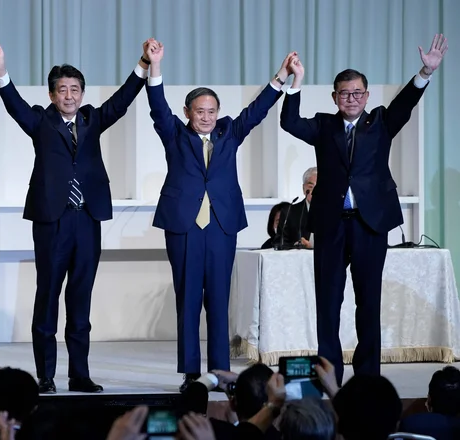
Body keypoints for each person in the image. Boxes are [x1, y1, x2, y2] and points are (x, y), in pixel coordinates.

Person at [280, 34, 448, 386]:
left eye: (357, 93)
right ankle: (328, 375)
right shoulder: (325, 125)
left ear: (367, 96)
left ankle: (368, 376)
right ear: (335, 97)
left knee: (368, 302)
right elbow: (290, 123)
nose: (351, 99)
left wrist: (425, 73)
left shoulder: (381, 122)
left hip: (370, 224)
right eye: (344, 93)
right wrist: (294, 82)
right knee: (327, 303)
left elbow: (405, 104)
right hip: (329, 225)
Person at [0, 41, 151, 394]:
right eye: (62, 89)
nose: (69, 95)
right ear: (51, 94)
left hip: (86, 219)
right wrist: (0, 69)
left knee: (81, 299)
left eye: (75, 89)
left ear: (82, 93)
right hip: (52, 221)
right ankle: (45, 376)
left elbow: (122, 100)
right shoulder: (40, 121)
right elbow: (13, 103)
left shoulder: (92, 119)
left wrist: (143, 63)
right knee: (47, 295)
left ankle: (79, 374)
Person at [144, 38, 296, 392]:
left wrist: (282, 76)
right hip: (183, 226)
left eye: (212, 111)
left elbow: (257, 110)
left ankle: (221, 372)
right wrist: (154, 66)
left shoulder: (229, 134)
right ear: (188, 112)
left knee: (218, 297)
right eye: (200, 111)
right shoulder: (174, 135)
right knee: (188, 300)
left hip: (221, 226)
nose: (207, 117)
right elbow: (156, 106)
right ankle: (190, 374)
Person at [277, 166, 316, 249]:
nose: (315, 192)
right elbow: (280, 243)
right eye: (311, 187)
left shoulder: (335, 213)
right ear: (304, 188)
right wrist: (297, 246)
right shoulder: (289, 212)